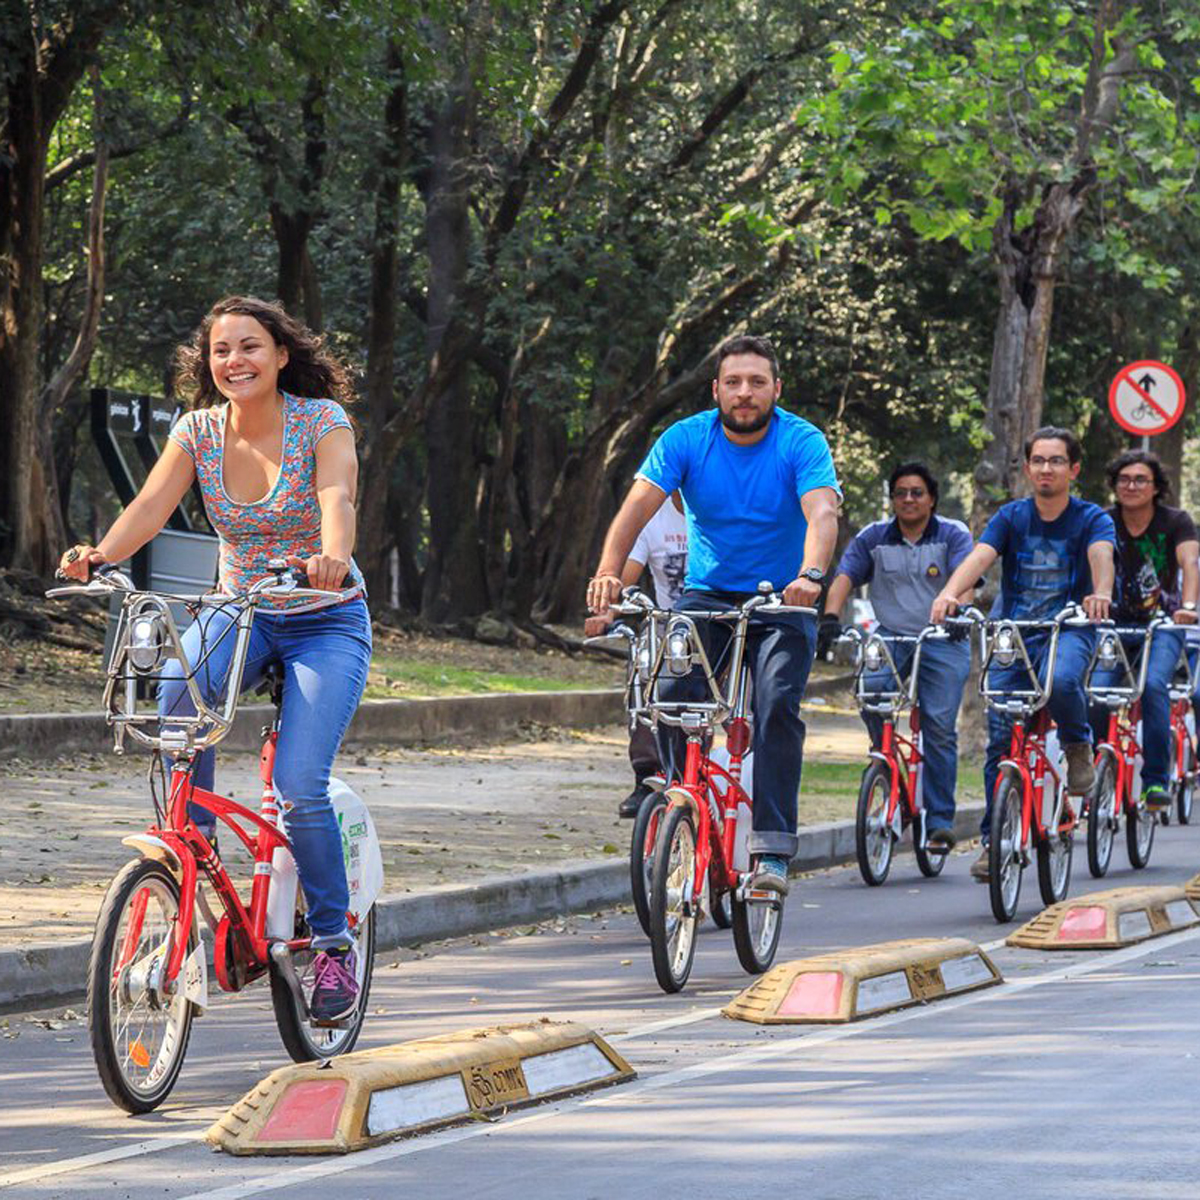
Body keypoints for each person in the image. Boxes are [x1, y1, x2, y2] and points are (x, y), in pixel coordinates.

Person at [59, 295, 372, 1021]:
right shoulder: (197, 431)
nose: (235, 361)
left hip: (323, 617)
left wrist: (333, 555)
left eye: (250, 347)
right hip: (241, 611)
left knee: (298, 785)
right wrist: (101, 553)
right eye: (221, 351)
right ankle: (189, 853)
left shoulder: (321, 421)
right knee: (172, 702)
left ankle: (332, 944)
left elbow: (339, 494)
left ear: (281, 355)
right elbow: (150, 506)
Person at [587, 334, 841, 894]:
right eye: (733, 382)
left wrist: (812, 576)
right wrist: (608, 570)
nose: (744, 393)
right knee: (674, 698)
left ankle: (772, 849)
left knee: (776, 706)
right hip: (708, 594)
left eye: (756, 382)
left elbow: (821, 511)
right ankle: (684, 799)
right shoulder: (686, 438)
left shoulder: (801, 440)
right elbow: (637, 506)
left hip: (783, 597)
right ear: (716, 390)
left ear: (777, 388)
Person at [930, 427, 1115, 882]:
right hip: (1014, 635)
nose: (1046, 469)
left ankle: (1076, 743)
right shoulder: (1012, 516)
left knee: (1063, 680)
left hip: (1068, 628)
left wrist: (1101, 593)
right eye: (1038, 460)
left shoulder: (1091, 518)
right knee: (1001, 742)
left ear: (1073, 470)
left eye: (1056, 461)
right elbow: (981, 556)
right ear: (1028, 467)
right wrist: (951, 593)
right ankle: (996, 842)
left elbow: (1101, 556)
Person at [824, 462, 974, 850]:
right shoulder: (874, 537)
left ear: (932, 499)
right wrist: (828, 619)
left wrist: (960, 613)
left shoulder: (953, 534)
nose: (908, 499)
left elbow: (967, 579)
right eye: (901, 493)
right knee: (870, 694)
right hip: (892, 636)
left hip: (943, 637)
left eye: (917, 492)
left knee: (939, 725)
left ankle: (940, 820)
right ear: (892, 499)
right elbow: (845, 575)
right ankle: (884, 760)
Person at [1089, 450, 1198, 810]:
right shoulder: (1103, 520)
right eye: (1124, 480)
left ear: (1155, 488)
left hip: (1164, 625)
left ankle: (1154, 782)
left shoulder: (1176, 521)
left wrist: (1189, 607)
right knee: (1096, 691)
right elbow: (1095, 557)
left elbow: (1190, 562)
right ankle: (1092, 769)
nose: (1131, 486)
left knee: (1152, 687)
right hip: (1113, 626)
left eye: (1140, 480)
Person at [584, 492, 688, 818]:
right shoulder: (652, 518)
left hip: (720, 619)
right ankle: (648, 775)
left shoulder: (727, 507)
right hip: (669, 623)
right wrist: (608, 612)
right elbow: (626, 573)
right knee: (643, 662)